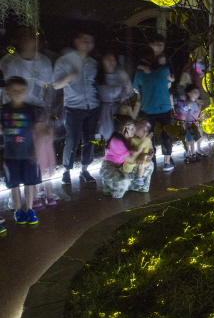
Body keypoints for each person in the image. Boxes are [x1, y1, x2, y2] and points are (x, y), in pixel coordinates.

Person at [0, 27, 55, 207]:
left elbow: (48, 89)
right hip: (13, 113)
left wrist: (46, 114)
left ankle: (40, 192)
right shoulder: (8, 61)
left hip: (35, 112)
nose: (28, 42)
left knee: (38, 153)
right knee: (18, 151)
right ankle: (18, 197)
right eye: (24, 38)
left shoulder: (45, 61)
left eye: (32, 38)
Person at [53, 32, 100, 184]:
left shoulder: (94, 63)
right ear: (76, 41)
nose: (88, 44)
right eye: (84, 40)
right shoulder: (65, 61)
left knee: (89, 139)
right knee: (72, 140)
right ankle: (66, 171)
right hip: (73, 106)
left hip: (92, 105)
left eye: (91, 41)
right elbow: (55, 84)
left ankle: (85, 170)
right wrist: (69, 77)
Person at [2, 77, 42, 226]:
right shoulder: (4, 109)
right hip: (10, 155)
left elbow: (37, 131)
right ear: (7, 92)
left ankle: (30, 209)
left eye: (21, 91)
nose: (18, 93)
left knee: (30, 183)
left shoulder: (30, 109)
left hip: (29, 154)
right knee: (14, 185)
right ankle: (18, 210)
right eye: (14, 91)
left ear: (26, 92)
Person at [132, 47, 174, 172]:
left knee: (149, 136)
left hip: (148, 108)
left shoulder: (139, 73)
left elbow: (135, 88)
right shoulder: (164, 70)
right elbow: (168, 85)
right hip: (164, 107)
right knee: (167, 134)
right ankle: (167, 162)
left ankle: (151, 161)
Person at [99, 115, 153, 198]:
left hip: (123, 165)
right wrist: (142, 144)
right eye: (129, 128)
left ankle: (135, 186)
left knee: (149, 166)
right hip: (111, 167)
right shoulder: (116, 141)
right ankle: (108, 186)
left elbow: (149, 149)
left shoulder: (129, 137)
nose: (132, 131)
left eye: (133, 128)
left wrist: (146, 155)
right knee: (124, 181)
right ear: (120, 130)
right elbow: (131, 159)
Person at [97, 50, 133, 141]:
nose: (111, 62)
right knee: (109, 138)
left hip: (119, 109)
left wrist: (124, 77)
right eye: (108, 59)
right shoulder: (98, 76)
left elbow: (128, 91)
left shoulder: (119, 74)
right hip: (104, 112)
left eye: (113, 59)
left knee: (121, 136)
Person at [123, 119, 154, 187]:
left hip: (143, 157)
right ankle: (126, 178)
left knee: (141, 166)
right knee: (128, 165)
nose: (145, 133)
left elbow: (151, 149)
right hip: (134, 157)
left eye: (145, 131)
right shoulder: (133, 140)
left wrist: (149, 155)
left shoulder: (148, 140)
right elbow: (130, 148)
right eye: (142, 131)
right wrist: (132, 151)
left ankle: (140, 178)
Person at [178, 84, 202, 162]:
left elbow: (197, 114)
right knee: (188, 141)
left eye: (198, 92)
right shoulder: (189, 103)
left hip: (193, 125)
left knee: (192, 140)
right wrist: (183, 124)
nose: (197, 93)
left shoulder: (194, 103)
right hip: (189, 124)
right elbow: (184, 112)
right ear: (189, 93)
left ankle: (192, 153)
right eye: (194, 92)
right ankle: (188, 154)